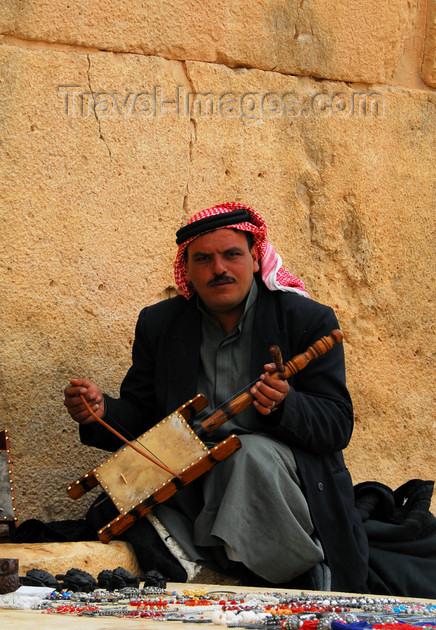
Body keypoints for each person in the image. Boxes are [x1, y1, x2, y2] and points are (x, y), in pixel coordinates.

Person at [64, 202, 369, 592]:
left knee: (244, 454)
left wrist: (286, 404)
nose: (219, 269)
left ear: (256, 259)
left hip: (278, 479)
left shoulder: (306, 319)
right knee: (131, 506)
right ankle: (225, 570)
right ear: (187, 269)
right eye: (203, 259)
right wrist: (101, 411)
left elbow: (337, 423)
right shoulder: (161, 325)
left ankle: (297, 574)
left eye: (232, 255)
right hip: (191, 481)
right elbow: (145, 418)